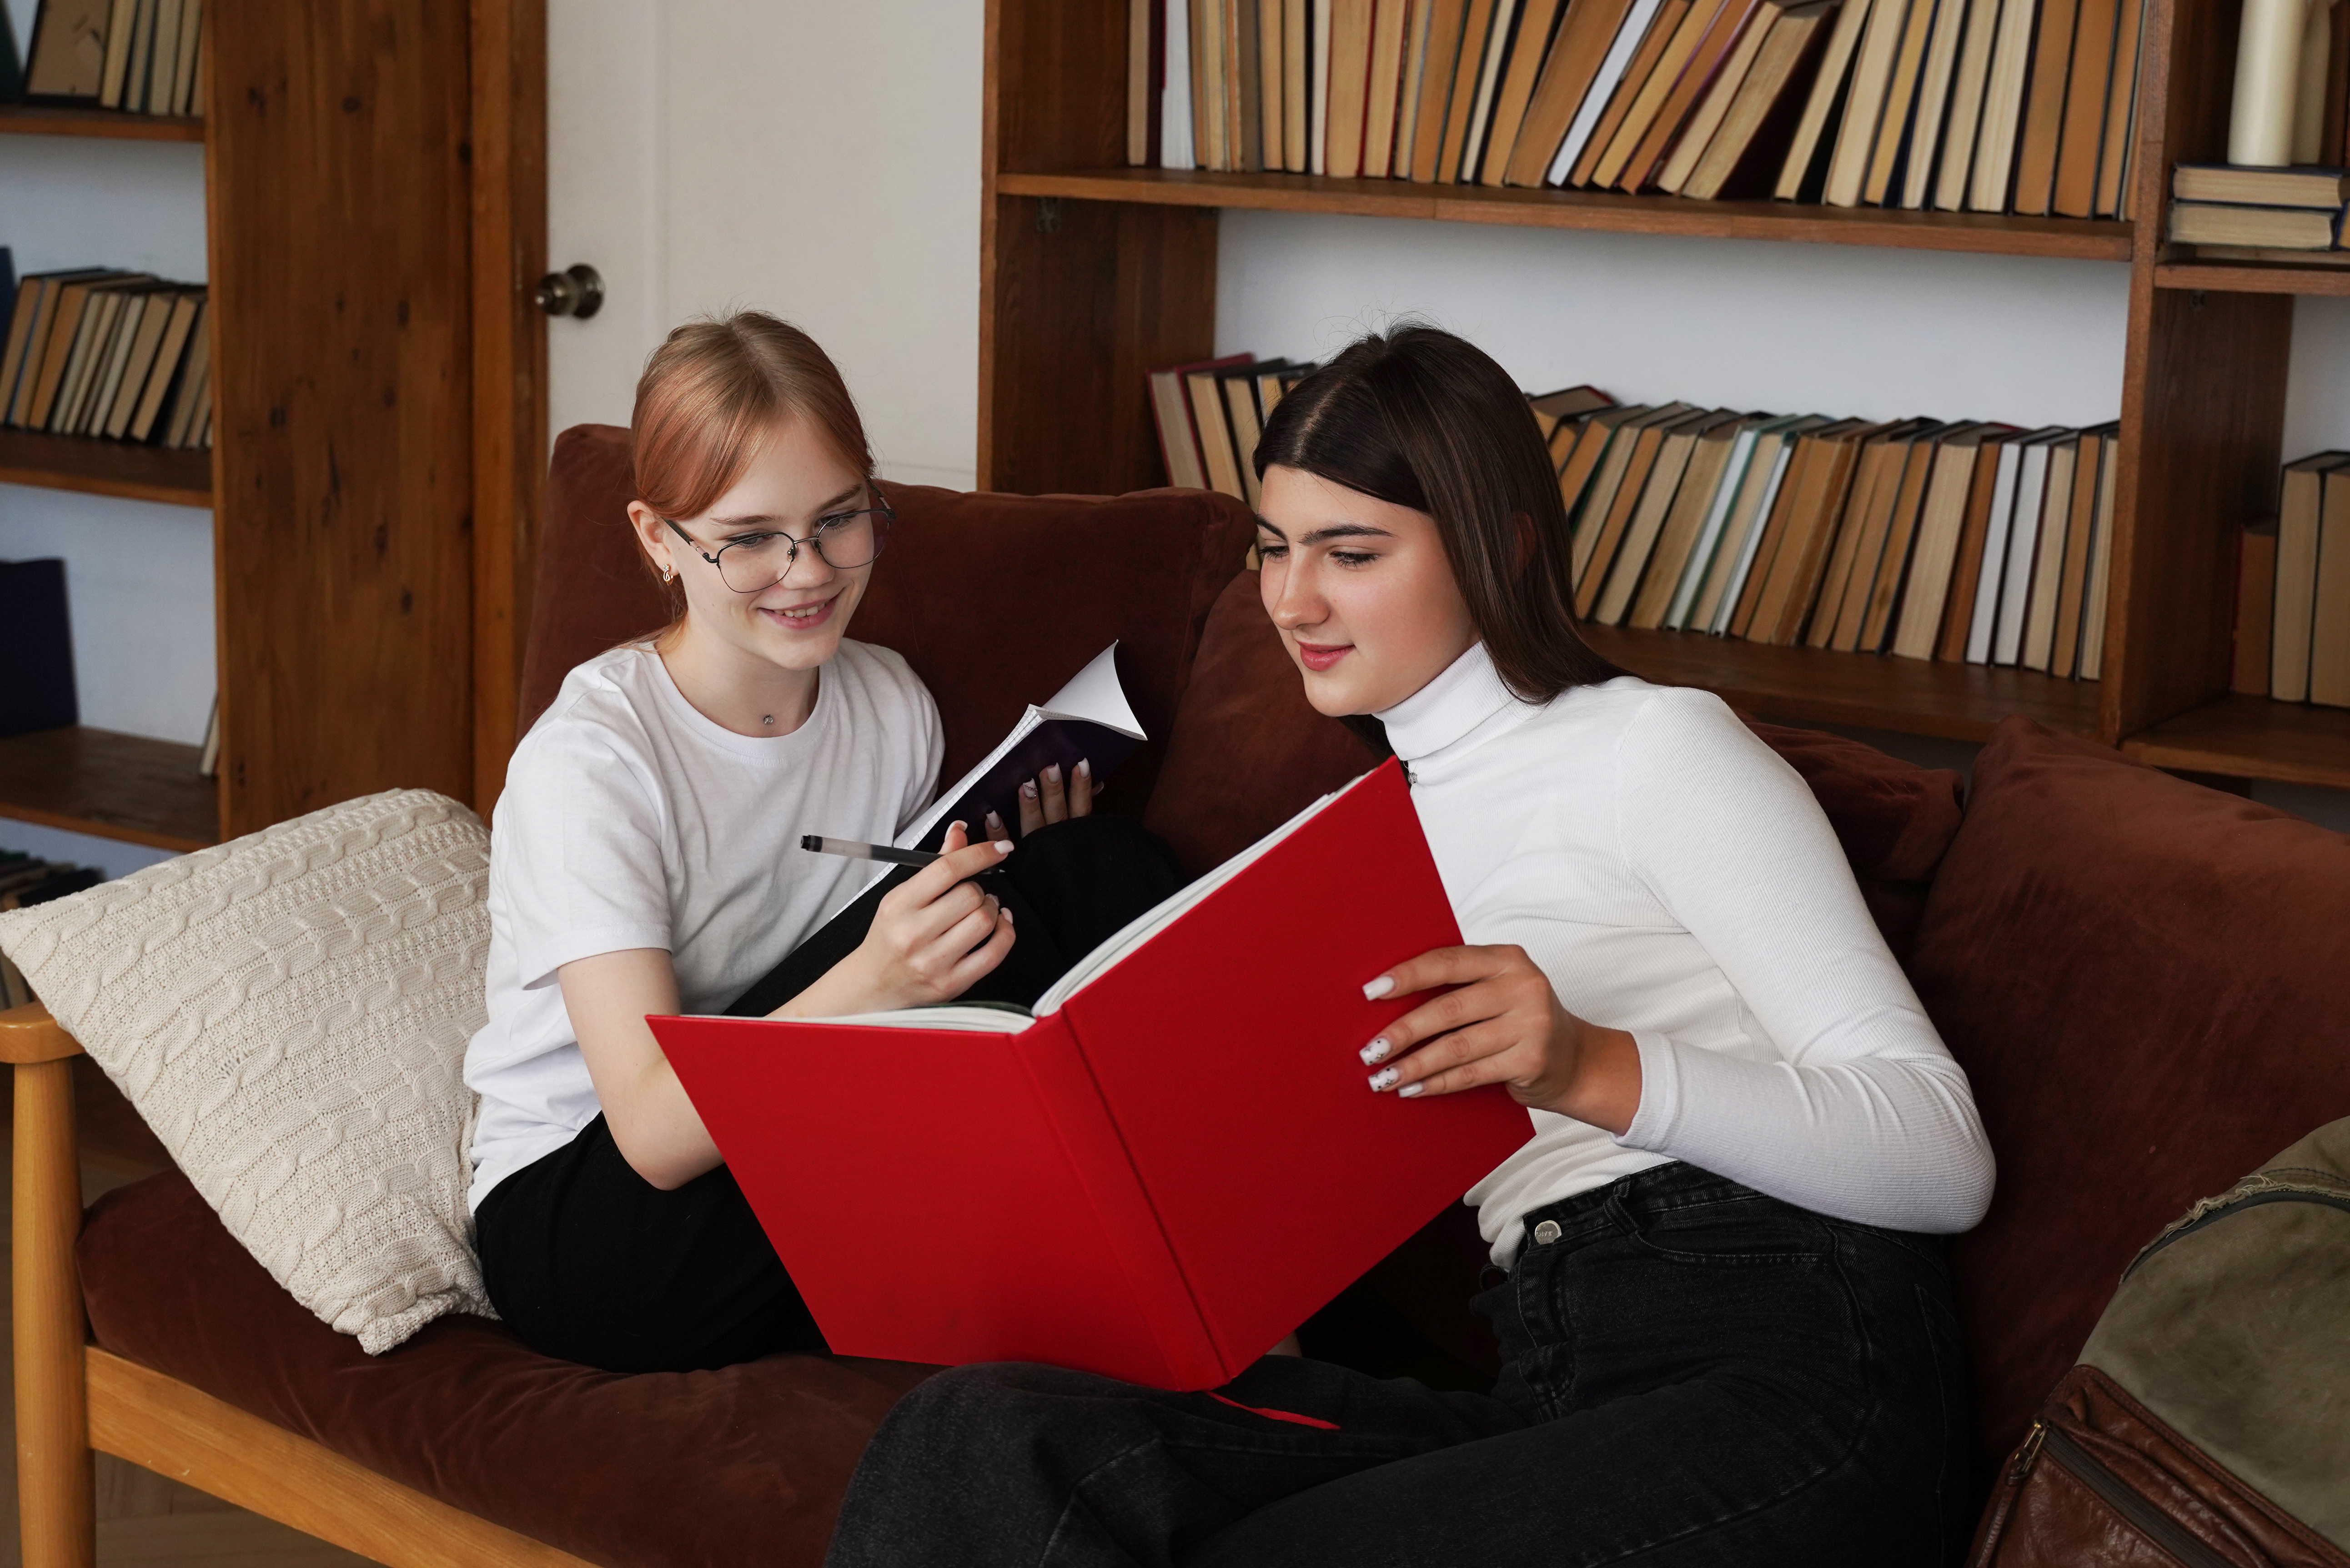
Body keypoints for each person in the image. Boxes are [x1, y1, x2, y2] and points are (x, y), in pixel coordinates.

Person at [823, 326, 1998, 1567]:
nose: (1291, 600)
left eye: (1352, 552)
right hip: (1549, 1377)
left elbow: (1941, 1155)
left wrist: (1588, 1064)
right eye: (1274, 550)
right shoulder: (1345, 849)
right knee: (979, 1435)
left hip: (1785, 1361)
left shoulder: (1654, 749)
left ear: (1500, 547)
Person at [463, 312, 1180, 1374]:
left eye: (839, 520)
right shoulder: (596, 760)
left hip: (788, 1130)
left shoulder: (888, 704)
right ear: (658, 537)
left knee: (1095, 870)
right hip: (596, 1218)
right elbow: (655, 1131)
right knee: (1073, 891)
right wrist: (878, 978)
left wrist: (1005, 871)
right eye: (748, 537)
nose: (806, 572)